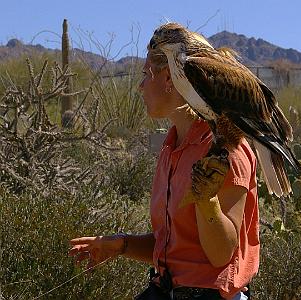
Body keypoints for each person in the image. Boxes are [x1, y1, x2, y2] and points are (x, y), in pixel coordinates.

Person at [69, 31, 260, 300]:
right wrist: (123, 244)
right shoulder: (171, 147)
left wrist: (206, 198)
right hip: (164, 289)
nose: (140, 86)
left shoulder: (224, 148)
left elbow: (220, 256)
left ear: (169, 78)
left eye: (146, 74)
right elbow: (177, 247)